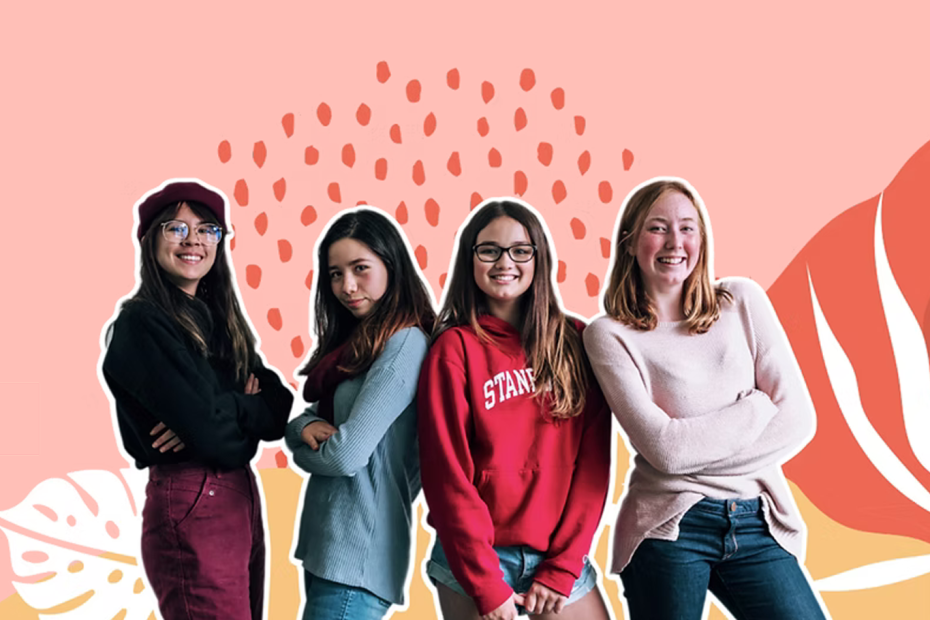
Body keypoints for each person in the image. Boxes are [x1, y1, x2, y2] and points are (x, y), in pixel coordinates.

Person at [584, 178, 827, 619]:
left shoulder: (742, 301)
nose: (675, 242)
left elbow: (798, 420)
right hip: (669, 524)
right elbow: (666, 451)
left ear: (702, 238)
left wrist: (695, 449)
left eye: (687, 228)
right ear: (630, 242)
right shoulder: (609, 335)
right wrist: (755, 406)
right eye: (657, 228)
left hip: (757, 519)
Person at [101, 179, 294, 620]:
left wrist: (219, 410)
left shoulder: (221, 322)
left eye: (207, 229)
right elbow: (217, 439)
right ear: (151, 242)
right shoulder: (142, 325)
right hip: (194, 497)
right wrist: (238, 415)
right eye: (176, 228)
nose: (194, 241)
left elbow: (279, 407)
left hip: (237, 497)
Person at [418, 198, 612, 620]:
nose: (505, 261)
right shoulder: (454, 349)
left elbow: (593, 468)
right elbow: (446, 475)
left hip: (557, 555)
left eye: (520, 250)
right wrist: (486, 584)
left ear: (539, 258)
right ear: (470, 258)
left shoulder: (575, 341)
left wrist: (562, 568)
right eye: (489, 250)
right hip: (475, 559)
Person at [284, 208, 435, 620]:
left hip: (358, 554)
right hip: (329, 546)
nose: (346, 286)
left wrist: (299, 450)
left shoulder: (405, 345)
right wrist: (304, 426)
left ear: (392, 265)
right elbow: (309, 417)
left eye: (360, 268)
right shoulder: (359, 345)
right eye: (335, 274)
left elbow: (345, 456)